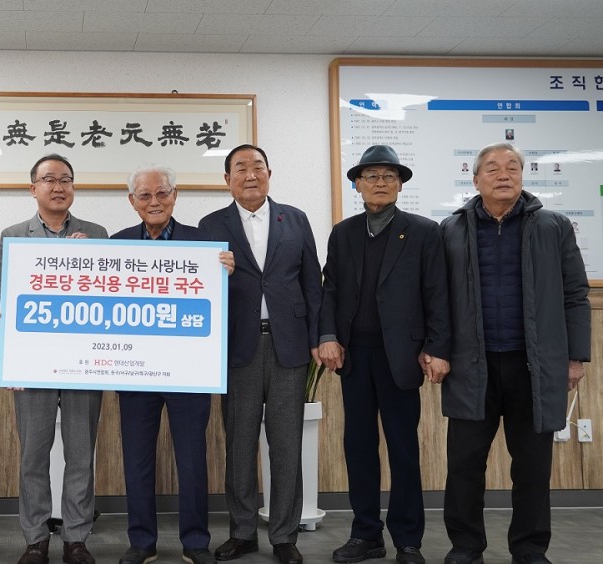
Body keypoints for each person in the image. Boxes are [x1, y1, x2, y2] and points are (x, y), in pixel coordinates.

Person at [440, 142, 590, 564]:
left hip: (534, 366)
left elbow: (575, 294)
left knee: (532, 466)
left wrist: (575, 356)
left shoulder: (554, 226)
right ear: (475, 180)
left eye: (512, 167)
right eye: (492, 168)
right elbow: (435, 297)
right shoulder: (450, 229)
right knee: (464, 464)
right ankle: (465, 545)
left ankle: (529, 548)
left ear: (523, 176)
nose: (503, 174)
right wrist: (434, 350)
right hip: (471, 365)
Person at [319, 145, 451, 564]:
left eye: (389, 176)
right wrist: (328, 335)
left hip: (402, 357)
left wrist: (436, 347)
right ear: (357, 185)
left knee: (403, 449)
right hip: (354, 356)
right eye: (372, 176)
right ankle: (365, 535)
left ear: (400, 185)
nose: (381, 183)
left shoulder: (424, 231)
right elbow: (330, 289)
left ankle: (408, 540)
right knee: (358, 447)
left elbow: (437, 293)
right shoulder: (343, 233)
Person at [198, 144, 322, 564]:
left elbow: (312, 283)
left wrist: (319, 337)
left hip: (289, 345)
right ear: (227, 179)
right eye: (240, 168)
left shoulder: (295, 219)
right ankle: (243, 532)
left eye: (257, 167)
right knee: (239, 443)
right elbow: (201, 287)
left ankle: (284, 535)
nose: (250, 175)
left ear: (270, 173)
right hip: (238, 346)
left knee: (286, 444)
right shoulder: (211, 224)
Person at [111, 166, 235, 564]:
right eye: (144, 196)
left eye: (162, 193)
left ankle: (196, 542)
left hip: (188, 370)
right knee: (137, 459)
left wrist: (227, 273)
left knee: (192, 459)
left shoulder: (205, 245)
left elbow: (223, 302)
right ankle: (141, 542)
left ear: (175, 196)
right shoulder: (117, 245)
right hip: (135, 370)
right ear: (132, 202)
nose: (154, 202)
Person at [0, 154, 108, 564]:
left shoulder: (97, 234)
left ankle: (76, 538)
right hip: (33, 363)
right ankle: (35, 539)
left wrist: (88, 262)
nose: (58, 187)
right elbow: (5, 298)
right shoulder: (13, 236)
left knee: (80, 455)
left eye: (66, 179)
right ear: (34, 188)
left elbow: (110, 296)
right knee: (33, 455)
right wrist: (10, 358)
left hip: (84, 362)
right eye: (49, 179)